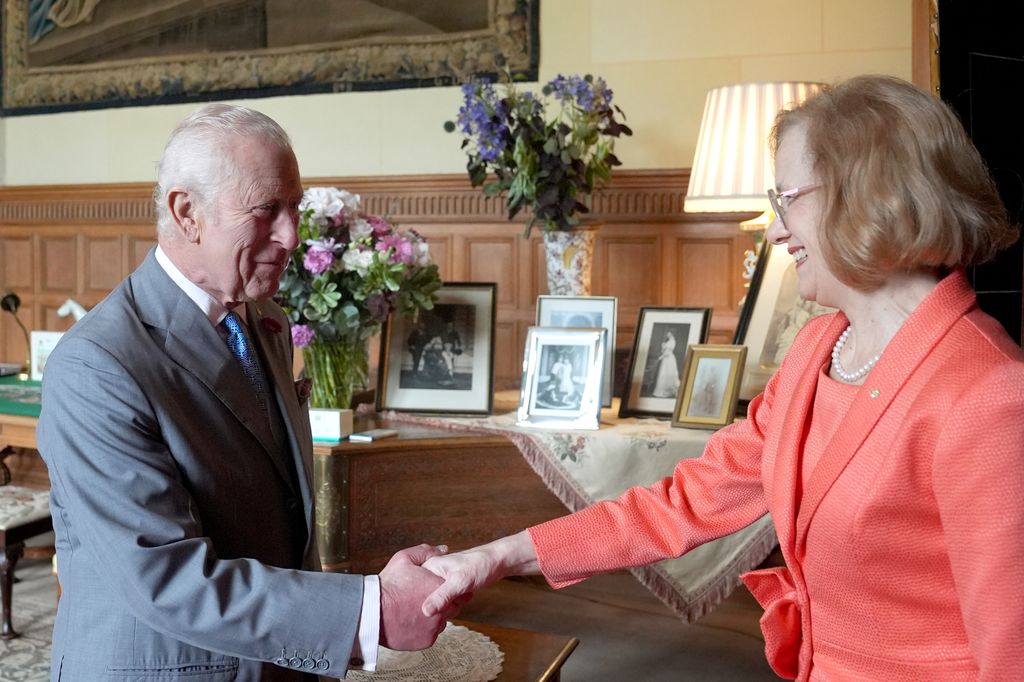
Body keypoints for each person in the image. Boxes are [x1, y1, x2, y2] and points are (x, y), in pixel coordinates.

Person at [418, 75, 1024, 680]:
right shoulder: (820, 348)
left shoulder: (988, 394)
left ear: (870, 194)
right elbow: (684, 502)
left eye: (788, 199)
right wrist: (497, 556)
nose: (775, 228)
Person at [36, 104, 460, 681]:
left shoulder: (264, 319)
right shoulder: (96, 366)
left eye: (295, 208)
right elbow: (163, 577)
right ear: (187, 213)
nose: (291, 235)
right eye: (267, 210)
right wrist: (368, 610)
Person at [650, 329, 680, 397]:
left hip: (669, 359)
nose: (667, 334)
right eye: (667, 333)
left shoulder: (672, 342)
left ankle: (668, 391)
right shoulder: (669, 341)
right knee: (664, 374)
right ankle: (662, 390)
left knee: (667, 374)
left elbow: (668, 353)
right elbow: (664, 351)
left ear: (671, 334)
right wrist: (663, 348)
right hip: (666, 359)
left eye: (668, 333)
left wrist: (661, 357)